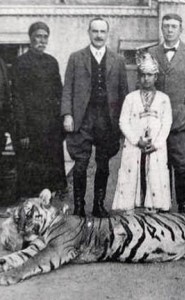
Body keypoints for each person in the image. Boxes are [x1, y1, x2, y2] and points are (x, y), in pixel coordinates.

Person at [61, 17, 128, 218]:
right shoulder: (76, 58)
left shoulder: (118, 60)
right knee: (80, 163)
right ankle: (79, 206)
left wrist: (123, 122)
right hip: (83, 118)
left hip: (107, 119)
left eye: (102, 32)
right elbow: (68, 89)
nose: (99, 35)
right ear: (89, 33)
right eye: (95, 31)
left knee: (104, 163)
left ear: (107, 34)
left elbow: (124, 92)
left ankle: (98, 205)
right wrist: (67, 114)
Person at [149, 13, 185, 213]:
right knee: (158, 165)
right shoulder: (152, 52)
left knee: (181, 165)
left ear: (181, 30)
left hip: (182, 122)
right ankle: (162, 207)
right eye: (166, 26)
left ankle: (183, 210)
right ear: (162, 29)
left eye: (174, 26)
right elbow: (145, 84)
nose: (170, 30)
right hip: (156, 120)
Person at [12, 21, 67, 199]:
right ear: (30, 38)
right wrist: (22, 131)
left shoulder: (52, 62)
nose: (42, 41)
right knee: (31, 178)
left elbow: (59, 94)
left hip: (50, 130)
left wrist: (61, 124)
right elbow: (17, 99)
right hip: (31, 131)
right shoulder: (20, 63)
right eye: (38, 36)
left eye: (45, 37)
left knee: (51, 178)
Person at [112, 52, 172, 213]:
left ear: (156, 77)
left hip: (155, 147)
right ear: (138, 77)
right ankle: (131, 206)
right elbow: (123, 122)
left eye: (150, 75)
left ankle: (153, 206)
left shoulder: (163, 99)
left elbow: (167, 124)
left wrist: (157, 144)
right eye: (143, 75)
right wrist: (136, 140)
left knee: (153, 173)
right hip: (134, 146)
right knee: (133, 173)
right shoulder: (130, 98)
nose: (146, 79)